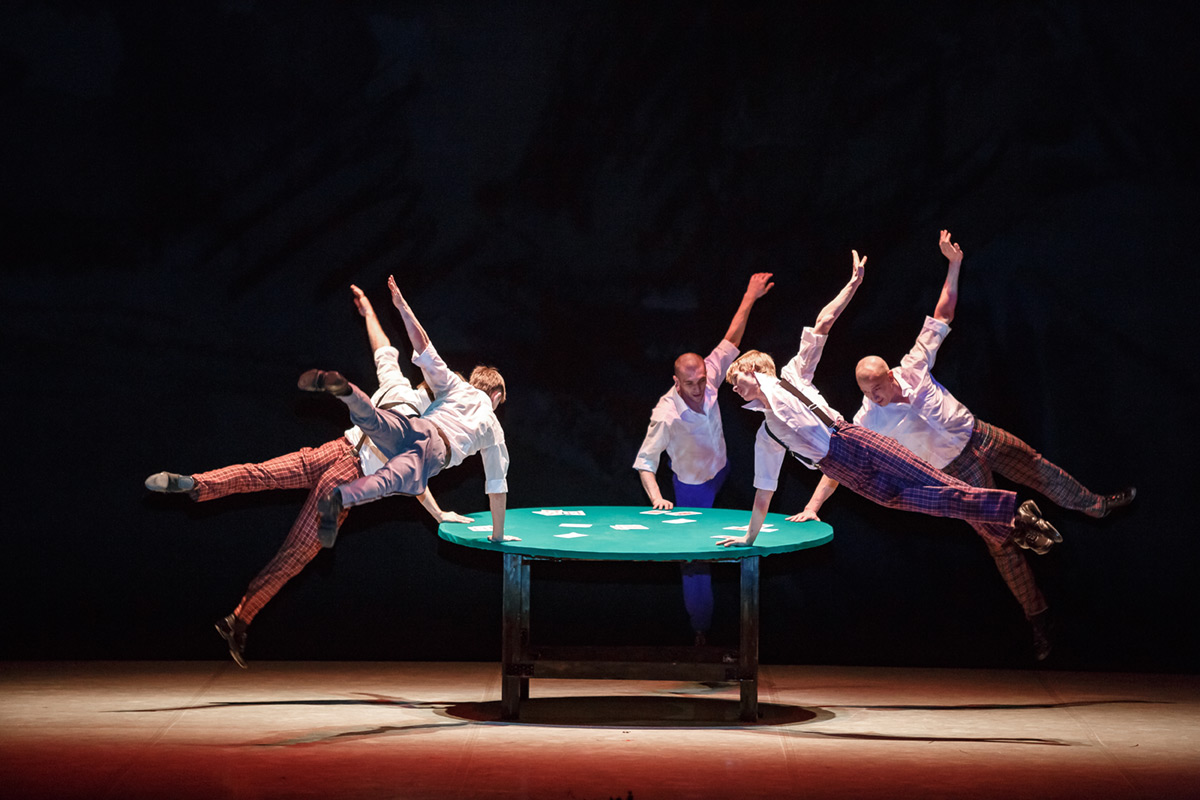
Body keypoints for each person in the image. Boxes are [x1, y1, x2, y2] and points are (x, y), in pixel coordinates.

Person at [799, 230, 1135, 658]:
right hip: (955, 472)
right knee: (999, 542)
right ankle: (1039, 619)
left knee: (1038, 466)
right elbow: (841, 465)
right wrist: (813, 506)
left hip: (979, 434)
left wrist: (954, 264)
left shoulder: (914, 366)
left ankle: (1095, 505)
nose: (874, 396)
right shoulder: (868, 419)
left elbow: (943, 313)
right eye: (867, 392)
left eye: (878, 387)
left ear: (888, 375)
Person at [144, 285, 472, 668]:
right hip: (349, 476)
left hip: (332, 449)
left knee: (259, 474)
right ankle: (240, 619)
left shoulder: (397, 385)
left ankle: (196, 484)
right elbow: (416, 484)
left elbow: (384, 349)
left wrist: (369, 312)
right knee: (294, 556)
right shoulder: (427, 430)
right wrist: (439, 514)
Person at [716, 253, 1062, 589]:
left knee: (935, 481)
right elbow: (764, 489)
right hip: (843, 471)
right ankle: (1017, 519)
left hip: (853, 440)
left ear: (753, 370)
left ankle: (1015, 516)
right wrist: (750, 537)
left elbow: (823, 323)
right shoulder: (768, 432)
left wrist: (852, 285)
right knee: (931, 503)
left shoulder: (793, 377)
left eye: (735, 379)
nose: (733, 388)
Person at [302, 275, 516, 547]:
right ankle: (340, 497)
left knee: (372, 419)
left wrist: (403, 307)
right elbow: (497, 485)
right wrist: (498, 535)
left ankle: (346, 391)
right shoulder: (493, 427)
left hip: (416, 427)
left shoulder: (455, 386)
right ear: (496, 396)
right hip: (434, 452)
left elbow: (425, 348)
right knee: (386, 482)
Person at [633, 273, 775, 645]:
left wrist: (750, 295)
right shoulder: (666, 414)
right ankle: (700, 629)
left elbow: (732, 340)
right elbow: (645, 462)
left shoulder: (709, 375)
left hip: (721, 469)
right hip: (692, 487)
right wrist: (657, 498)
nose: (698, 389)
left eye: (701, 380)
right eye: (690, 384)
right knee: (695, 560)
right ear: (676, 381)